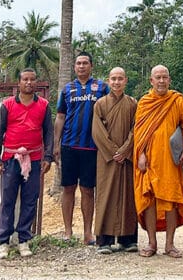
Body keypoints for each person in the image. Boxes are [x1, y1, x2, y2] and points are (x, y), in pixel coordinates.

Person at [0, 68, 53, 259]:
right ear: (18, 83)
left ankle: (24, 240)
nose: (29, 83)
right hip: (10, 159)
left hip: (34, 160)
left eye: (32, 80)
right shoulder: (7, 105)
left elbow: (49, 133)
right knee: (7, 200)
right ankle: (3, 242)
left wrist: (48, 157)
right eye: (25, 79)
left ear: (36, 83)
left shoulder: (43, 105)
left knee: (30, 200)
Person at [133, 64, 183, 258]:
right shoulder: (145, 102)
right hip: (149, 160)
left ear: (169, 80)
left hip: (170, 160)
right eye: (157, 77)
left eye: (164, 77)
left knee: (171, 200)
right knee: (149, 199)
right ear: (151, 81)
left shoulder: (177, 100)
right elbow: (139, 132)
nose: (161, 81)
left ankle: (170, 244)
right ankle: (151, 243)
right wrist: (140, 154)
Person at [54, 51, 109, 244]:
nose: (81, 66)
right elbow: (60, 117)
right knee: (68, 188)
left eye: (85, 63)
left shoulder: (102, 88)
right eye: (78, 63)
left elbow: (110, 115)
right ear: (74, 67)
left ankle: (88, 233)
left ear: (91, 66)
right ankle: (68, 232)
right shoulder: (67, 89)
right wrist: (56, 144)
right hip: (69, 146)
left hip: (92, 148)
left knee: (88, 190)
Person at [90, 67, 139, 254]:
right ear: (108, 81)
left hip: (127, 158)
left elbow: (136, 129)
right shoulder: (100, 104)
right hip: (107, 158)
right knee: (105, 196)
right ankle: (104, 240)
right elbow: (97, 131)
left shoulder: (133, 103)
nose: (117, 82)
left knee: (128, 196)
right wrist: (113, 152)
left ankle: (128, 240)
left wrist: (126, 150)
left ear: (126, 80)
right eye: (113, 79)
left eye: (120, 78)